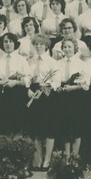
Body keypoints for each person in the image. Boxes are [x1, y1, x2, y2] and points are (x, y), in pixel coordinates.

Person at [25, 34, 59, 169]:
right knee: (36, 128)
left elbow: (57, 80)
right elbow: (27, 76)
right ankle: (39, 159)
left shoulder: (52, 61)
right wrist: (28, 89)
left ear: (46, 45)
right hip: (34, 93)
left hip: (47, 95)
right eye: (36, 44)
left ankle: (48, 160)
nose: (38, 46)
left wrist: (45, 87)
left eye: (41, 44)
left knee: (49, 128)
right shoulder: (30, 61)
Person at [55, 38, 90, 157]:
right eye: (65, 47)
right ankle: (67, 156)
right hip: (63, 96)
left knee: (76, 127)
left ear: (75, 48)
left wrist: (73, 88)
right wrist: (57, 87)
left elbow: (86, 83)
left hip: (76, 96)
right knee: (65, 126)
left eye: (69, 47)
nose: (67, 49)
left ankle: (75, 156)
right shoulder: (58, 63)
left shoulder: (81, 64)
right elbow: (55, 79)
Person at [0, 32, 30, 134]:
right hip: (1, 93)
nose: (8, 44)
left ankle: (17, 144)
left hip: (17, 93)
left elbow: (28, 78)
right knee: (3, 121)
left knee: (17, 120)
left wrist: (16, 82)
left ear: (15, 44)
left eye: (11, 41)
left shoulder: (21, 60)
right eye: (5, 41)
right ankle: (3, 145)